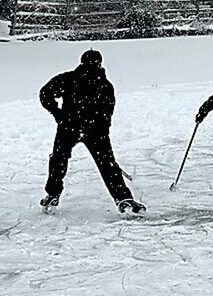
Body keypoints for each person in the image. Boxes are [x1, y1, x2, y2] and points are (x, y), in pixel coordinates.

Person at [38, 49, 144, 214]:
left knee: (62, 159)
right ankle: (122, 197)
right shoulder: (98, 84)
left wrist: (58, 113)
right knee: (104, 164)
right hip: (83, 128)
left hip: (77, 128)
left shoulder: (73, 80)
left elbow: (45, 93)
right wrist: (58, 113)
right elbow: (107, 113)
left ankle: (53, 192)